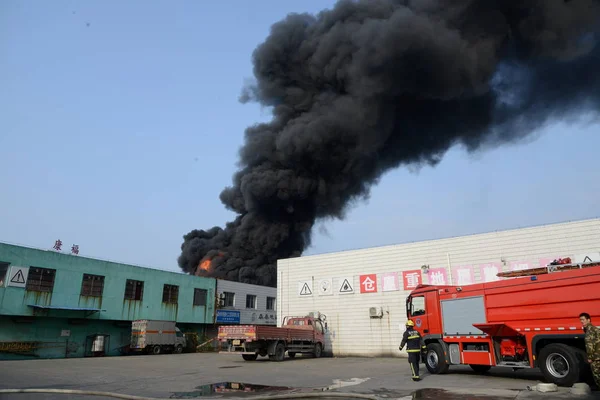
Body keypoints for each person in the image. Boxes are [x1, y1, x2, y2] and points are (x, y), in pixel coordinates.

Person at [579, 312, 600, 389]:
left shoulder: (593, 330)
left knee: (597, 375)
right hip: (596, 357)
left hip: (596, 358)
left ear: (588, 320)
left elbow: (593, 345)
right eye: (580, 320)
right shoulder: (588, 330)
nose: (581, 321)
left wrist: (591, 357)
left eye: (583, 319)